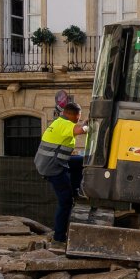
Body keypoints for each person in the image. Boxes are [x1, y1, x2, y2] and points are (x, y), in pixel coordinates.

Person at [35, 103, 88, 245]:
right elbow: (80, 130)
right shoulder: (66, 124)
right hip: (53, 167)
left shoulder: (59, 122)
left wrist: (86, 122)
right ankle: (59, 237)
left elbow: (77, 128)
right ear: (73, 114)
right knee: (65, 202)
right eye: (79, 116)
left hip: (50, 162)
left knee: (82, 161)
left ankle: (76, 189)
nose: (79, 119)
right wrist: (91, 126)